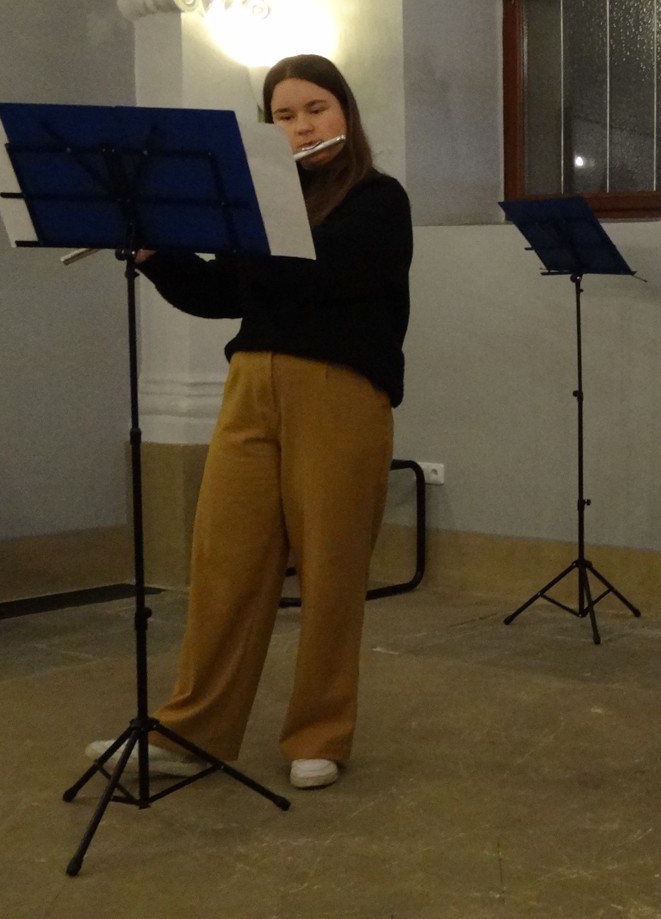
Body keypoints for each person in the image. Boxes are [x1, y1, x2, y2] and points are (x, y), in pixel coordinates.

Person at [86, 54, 413, 790]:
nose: (303, 127)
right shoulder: (263, 202)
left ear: (345, 112)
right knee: (224, 562)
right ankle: (191, 729)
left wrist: (238, 224)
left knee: (329, 569)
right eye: (284, 115)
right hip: (250, 385)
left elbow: (328, 277)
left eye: (316, 109)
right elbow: (219, 295)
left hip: (338, 391)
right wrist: (159, 252)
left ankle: (319, 733)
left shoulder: (377, 198)